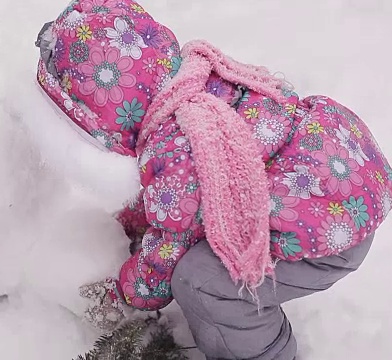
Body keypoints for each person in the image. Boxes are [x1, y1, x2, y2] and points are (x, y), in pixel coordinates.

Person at [34, 1, 391, 358]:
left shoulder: (174, 147)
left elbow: (169, 249)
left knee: (201, 280)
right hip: (344, 176)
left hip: (328, 228)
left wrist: (126, 293)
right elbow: (196, 191)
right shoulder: (201, 83)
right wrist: (140, 218)